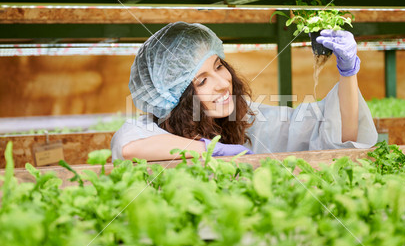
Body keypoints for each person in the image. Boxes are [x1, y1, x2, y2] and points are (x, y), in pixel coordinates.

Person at [111, 21, 377, 161]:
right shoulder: (154, 130)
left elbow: (340, 135)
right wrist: (211, 150)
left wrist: (348, 73)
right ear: (177, 100)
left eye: (218, 66)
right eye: (202, 81)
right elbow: (129, 146)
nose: (223, 83)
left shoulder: (250, 121)